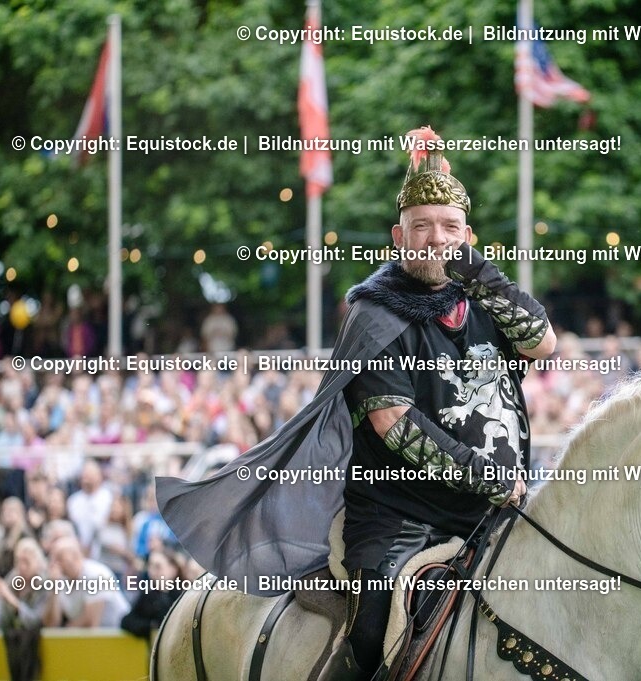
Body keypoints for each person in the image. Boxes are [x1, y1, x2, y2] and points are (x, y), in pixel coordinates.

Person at [157, 127, 555, 681]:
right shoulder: (375, 316)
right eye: (422, 227)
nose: (435, 239)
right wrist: (484, 475)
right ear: (399, 236)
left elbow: (542, 341)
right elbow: (395, 425)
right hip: (400, 515)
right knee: (371, 631)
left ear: (468, 236)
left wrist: (477, 272)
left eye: (449, 227)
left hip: (493, 511)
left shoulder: (486, 299)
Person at [0, 538, 49, 681]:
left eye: (26, 561)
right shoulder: (12, 580)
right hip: (13, 648)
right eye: (18, 561)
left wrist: (11, 600)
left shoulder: (46, 583)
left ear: (38, 561)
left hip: (39, 649)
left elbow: (36, 621)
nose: (22, 567)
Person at [43, 536, 130, 628]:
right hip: (90, 635)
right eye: (52, 559)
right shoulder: (60, 579)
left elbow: (90, 623)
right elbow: (50, 624)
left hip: (117, 631)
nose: (54, 564)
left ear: (76, 556)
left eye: (59, 558)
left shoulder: (96, 574)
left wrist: (64, 632)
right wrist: (54, 591)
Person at [120, 548, 184, 640]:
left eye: (158, 566)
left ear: (173, 569)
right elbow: (127, 621)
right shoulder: (148, 595)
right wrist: (150, 626)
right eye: (150, 566)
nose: (153, 571)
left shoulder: (181, 596)